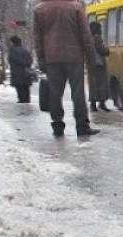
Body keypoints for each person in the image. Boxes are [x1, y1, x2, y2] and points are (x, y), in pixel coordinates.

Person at [34, 0, 100, 137]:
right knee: (78, 93)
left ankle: (57, 126)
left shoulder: (39, 10)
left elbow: (37, 37)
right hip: (74, 57)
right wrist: (91, 57)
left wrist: (41, 59)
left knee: (55, 94)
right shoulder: (75, 7)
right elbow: (85, 34)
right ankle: (82, 126)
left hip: (51, 58)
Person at [87, 21, 111, 112]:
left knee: (93, 85)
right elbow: (102, 50)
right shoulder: (97, 38)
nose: (101, 30)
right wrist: (107, 50)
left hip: (91, 64)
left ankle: (93, 105)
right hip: (99, 64)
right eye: (100, 28)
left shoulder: (88, 38)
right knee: (102, 84)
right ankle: (102, 103)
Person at [8, 36, 34, 103]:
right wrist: (26, 64)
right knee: (26, 88)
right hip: (26, 73)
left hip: (17, 73)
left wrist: (22, 64)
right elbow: (30, 60)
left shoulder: (12, 51)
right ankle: (27, 101)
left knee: (20, 89)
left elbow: (14, 60)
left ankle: (22, 101)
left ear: (13, 43)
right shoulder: (25, 50)